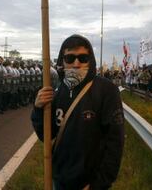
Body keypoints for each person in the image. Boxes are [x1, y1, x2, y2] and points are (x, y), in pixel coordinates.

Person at [31, 34, 124, 189]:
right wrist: (38, 109)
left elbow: (115, 142)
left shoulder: (107, 90)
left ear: (90, 60)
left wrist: (99, 183)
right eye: (70, 58)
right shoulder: (57, 91)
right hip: (60, 180)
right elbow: (45, 135)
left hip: (90, 183)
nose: (76, 64)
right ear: (62, 61)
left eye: (82, 58)